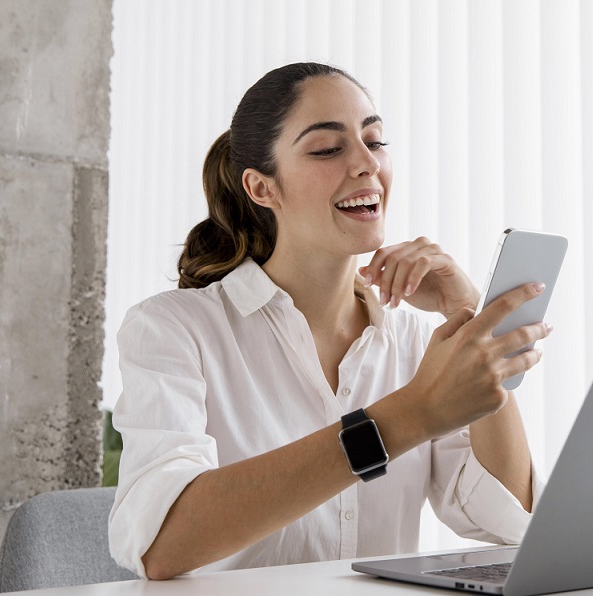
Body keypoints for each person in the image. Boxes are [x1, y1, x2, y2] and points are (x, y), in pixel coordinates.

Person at [109, 62, 549, 580]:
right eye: (327, 149)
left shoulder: (415, 344)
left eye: (375, 141)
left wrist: (473, 326)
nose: (367, 164)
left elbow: (509, 520)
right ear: (261, 188)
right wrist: (410, 415)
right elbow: (161, 543)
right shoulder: (173, 330)